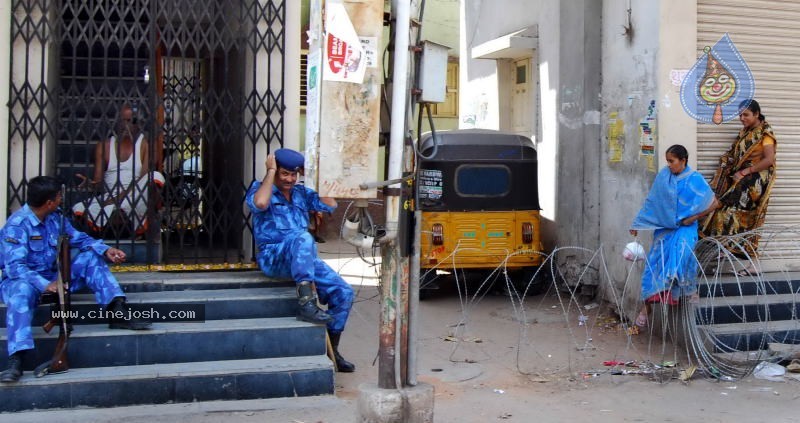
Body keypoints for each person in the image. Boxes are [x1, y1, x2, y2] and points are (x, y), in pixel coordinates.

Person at [0, 176, 151, 383]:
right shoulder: (16, 225)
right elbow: (15, 268)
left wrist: (106, 249)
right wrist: (46, 285)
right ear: (49, 202)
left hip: (54, 276)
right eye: (59, 197)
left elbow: (79, 239)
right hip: (23, 281)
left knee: (90, 257)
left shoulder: (56, 218)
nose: (62, 199)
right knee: (21, 293)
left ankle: (116, 310)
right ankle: (16, 359)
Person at [245, 148, 355, 372]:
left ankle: (331, 351)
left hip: (304, 258)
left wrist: (312, 174)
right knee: (303, 236)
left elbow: (330, 204)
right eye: (284, 173)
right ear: (275, 172)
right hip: (274, 256)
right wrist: (270, 171)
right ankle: (306, 302)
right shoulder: (260, 188)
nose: (289, 179)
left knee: (344, 292)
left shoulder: (301, 193)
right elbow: (261, 204)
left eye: (294, 174)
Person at [629, 145, 717, 328]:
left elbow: (714, 203)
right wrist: (638, 224)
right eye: (667, 161)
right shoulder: (664, 177)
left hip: (686, 228)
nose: (669, 165)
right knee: (654, 266)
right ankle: (647, 308)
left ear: (683, 160)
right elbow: (653, 203)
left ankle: (687, 291)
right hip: (665, 228)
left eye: (672, 161)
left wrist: (692, 217)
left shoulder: (695, 179)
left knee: (680, 256)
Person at [699, 99, 776, 276]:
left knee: (729, 211)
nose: (742, 118)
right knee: (734, 217)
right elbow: (733, 154)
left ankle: (725, 249)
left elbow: (769, 160)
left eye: (746, 115)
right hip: (742, 181)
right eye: (740, 115)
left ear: (756, 114)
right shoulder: (744, 133)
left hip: (754, 183)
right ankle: (735, 254)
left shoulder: (765, 133)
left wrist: (745, 172)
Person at [72, 104, 165, 236]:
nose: (125, 125)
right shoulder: (104, 146)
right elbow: (98, 182)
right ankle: (119, 216)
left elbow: (143, 180)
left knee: (155, 176)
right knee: (81, 208)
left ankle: (123, 213)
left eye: (130, 121)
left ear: (138, 124)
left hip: (135, 197)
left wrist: (116, 200)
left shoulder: (145, 145)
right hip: (111, 196)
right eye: (122, 121)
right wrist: (91, 184)